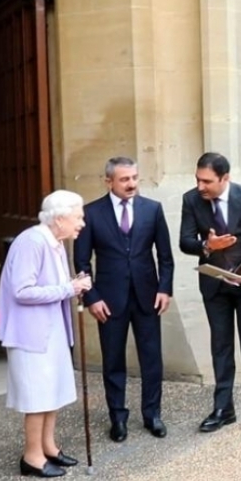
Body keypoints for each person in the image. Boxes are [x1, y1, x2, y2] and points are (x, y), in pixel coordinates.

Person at [74, 157, 174, 443]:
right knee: (113, 360)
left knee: (152, 359)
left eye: (134, 178)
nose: (131, 184)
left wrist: (164, 289)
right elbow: (82, 261)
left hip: (147, 297)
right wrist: (91, 297)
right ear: (109, 181)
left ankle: (152, 414)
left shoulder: (152, 210)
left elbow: (165, 256)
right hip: (109, 300)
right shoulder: (91, 213)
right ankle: (118, 417)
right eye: (124, 179)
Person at [0, 190, 92, 477]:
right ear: (60, 217)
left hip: (51, 331)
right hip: (31, 335)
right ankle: (32, 456)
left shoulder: (55, 242)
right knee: (37, 396)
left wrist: (71, 284)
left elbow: (50, 283)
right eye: (78, 217)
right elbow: (22, 290)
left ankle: (48, 447)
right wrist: (69, 288)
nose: (82, 223)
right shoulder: (32, 241)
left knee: (52, 392)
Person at [180, 153, 241, 435]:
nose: (200, 186)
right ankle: (223, 409)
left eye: (206, 181)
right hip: (214, 285)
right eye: (197, 179)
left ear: (225, 178)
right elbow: (185, 242)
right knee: (220, 347)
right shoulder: (191, 200)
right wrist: (207, 247)